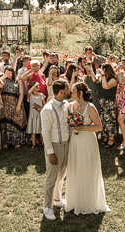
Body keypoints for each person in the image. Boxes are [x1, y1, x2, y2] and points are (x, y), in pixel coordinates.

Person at [65, 82, 110, 215]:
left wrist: (83, 127)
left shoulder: (90, 107)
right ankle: (75, 200)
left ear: (79, 93)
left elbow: (99, 127)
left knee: (87, 168)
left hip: (87, 141)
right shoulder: (70, 106)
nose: (70, 92)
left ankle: (89, 201)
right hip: (75, 141)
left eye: (72, 90)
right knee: (75, 168)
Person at [41, 80, 71, 220]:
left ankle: (57, 200)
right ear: (61, 92)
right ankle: (47, 207)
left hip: (66, 144)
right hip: (54, 146)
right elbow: (45, 133)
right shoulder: (47, 109)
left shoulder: (66, 105)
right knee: (51, 178)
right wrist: (50, 152)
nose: (69, 90)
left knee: (62, 174)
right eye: (67, 89)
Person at [0, 67, 29, 148]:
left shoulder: (18, 80)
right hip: (5, 105)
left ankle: (17, 141)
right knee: (6, 123)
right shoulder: (2, 80)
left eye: (10, 71)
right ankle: (6, 142)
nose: (8, 73)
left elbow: (21, 94)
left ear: (13, 72)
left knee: (17, 122)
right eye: (6, 71)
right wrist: (4, 76)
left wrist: (19, 105)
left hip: (15, 103)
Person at [98, 63, 118, 148]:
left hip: (109, 101)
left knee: (110, 120)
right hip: (102, 100)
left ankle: (111, 138)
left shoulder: (113, 79)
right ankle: (105, 136)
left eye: (103, 69)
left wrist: (102, 75)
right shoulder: (103, 77)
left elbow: (105, 86)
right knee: (103, 119)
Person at [26, 81, 46, 149]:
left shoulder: (41, 95)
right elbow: (28, 92)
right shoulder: (30, 96)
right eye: (36, 86)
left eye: (38, 86)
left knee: (41, 130)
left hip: (40, 114)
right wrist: (34, 85)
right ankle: (33, 144)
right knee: (33, 130)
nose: (38, 87)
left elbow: (44, 104)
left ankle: (43, 143)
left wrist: (41, 108)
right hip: (33, 115)